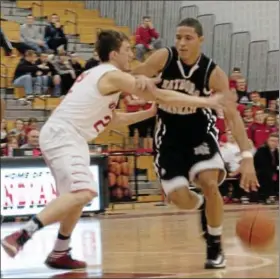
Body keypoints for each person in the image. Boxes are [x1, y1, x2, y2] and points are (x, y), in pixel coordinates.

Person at [1, 30, 226, 269]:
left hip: (69, 136)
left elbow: (112, 119)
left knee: (76, 198)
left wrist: (147, 113)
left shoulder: (98, 75)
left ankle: (60, 252)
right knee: (83, 192)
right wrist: (205, 102)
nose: (131, 55)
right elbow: (159, 95)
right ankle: (23, 235)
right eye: (127, 50)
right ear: (114, 53)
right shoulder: (112, 75)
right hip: (64, 135)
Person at [132, 18, 259, 269]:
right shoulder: (163, 58)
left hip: (200, 135)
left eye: (188, 38)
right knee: (182, 199)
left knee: (210, 183)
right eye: (178, 37)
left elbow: (232, 115)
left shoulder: (213, 72)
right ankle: (203, 206)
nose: (181, 42)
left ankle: (214, 245)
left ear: (201, 40)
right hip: (169, 138)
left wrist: (247, 157)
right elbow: (134, 75)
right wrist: (139, 80)